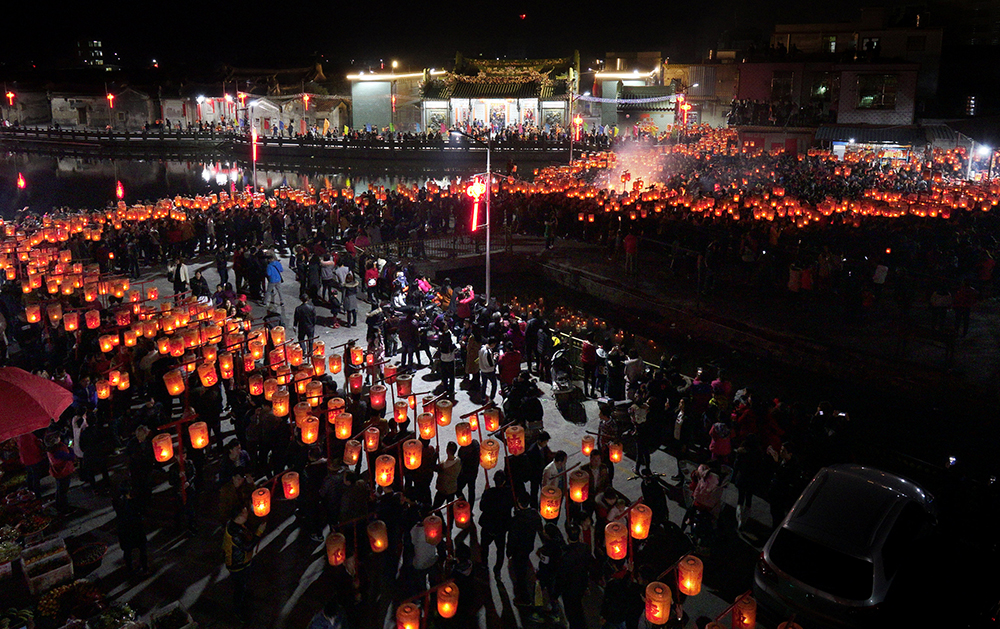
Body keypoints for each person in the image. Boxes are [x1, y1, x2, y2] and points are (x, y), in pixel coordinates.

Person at [223, 505, 265, 626]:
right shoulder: (235, 532)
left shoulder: (235, 525)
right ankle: (238, 611)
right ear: (240, 517)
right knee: (239, 588)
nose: (248, 514)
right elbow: (247, 546)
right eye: (246, 513)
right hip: (237, 565)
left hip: (243, 561)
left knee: (243, 583)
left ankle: (244, 597)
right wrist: (259, 532)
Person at [113, 481, 149, 576]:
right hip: (136, 528)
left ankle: (129, 569)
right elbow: (141, 510)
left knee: (127, 551)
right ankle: (145, 568)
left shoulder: (117, 502)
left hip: (124, 529)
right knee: (142, 549)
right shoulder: (134, 502)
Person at [46, 432, 76, 514]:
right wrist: (71, 448)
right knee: (63, 490)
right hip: (63, 472)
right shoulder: (59, 452)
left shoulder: (50, 450)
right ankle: (64, 509)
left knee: (60, 489)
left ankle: (58, 504)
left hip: (56, 472)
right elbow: (71, 457)